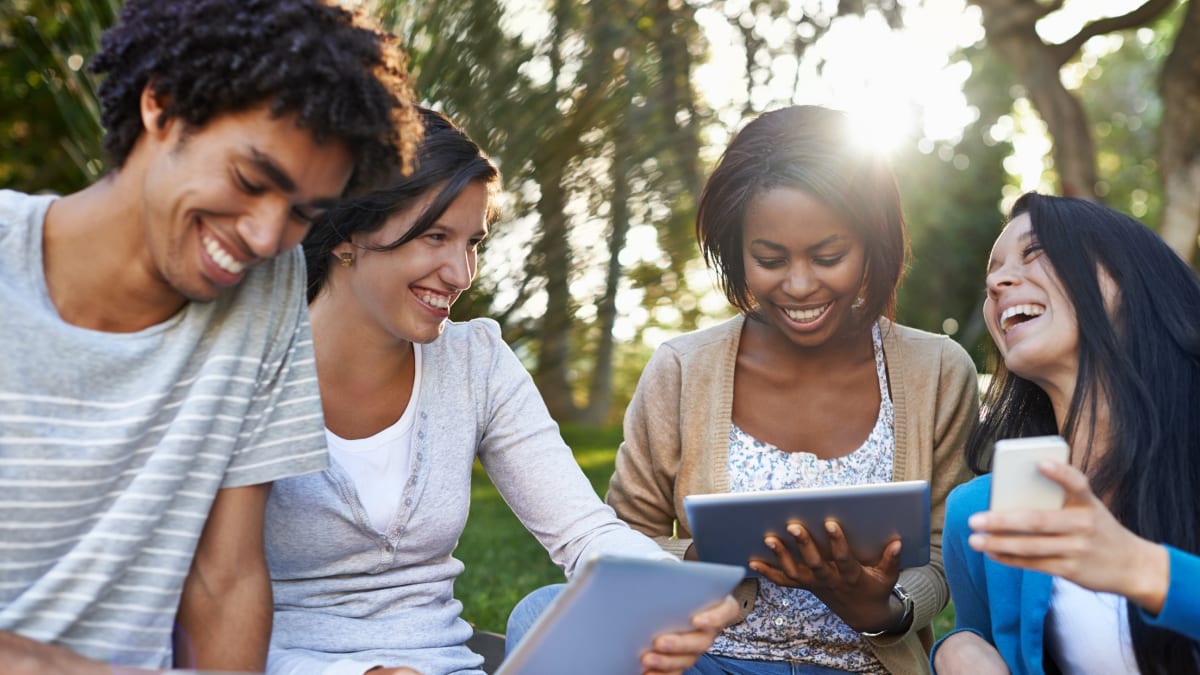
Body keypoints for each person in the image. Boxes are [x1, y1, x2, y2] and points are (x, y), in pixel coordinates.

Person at [0, 1, 417, 673]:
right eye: (251, 180)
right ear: (161, 106)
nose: (262, 236)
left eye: (303, 214)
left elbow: (225, 579)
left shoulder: (268, 284)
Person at [262, 107, 738, 675]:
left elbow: (584, 531)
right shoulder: (252, 370)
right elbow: (203, 595)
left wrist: (671, 595)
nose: (461, 274)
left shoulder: (475, 362)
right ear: (348, 234)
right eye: (436, 236)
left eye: (473, 243)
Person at [602, 105, 979, 675]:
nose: (800, 286)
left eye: (829, 257)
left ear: (871, 244)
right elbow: (618, 540)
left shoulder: (938, 370)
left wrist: (882, 606)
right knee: (540, 613)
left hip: (865, 667)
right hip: (707, 662)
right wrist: (702, 558)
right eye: (770, 260)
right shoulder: (682, 369)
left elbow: (944, 556)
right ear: (737, 251)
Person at [932, 193, 1200, 675]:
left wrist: (1141, 569)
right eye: (992, 271)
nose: (996, 282)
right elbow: (982, 642)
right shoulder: (980, 514)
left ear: (1128, 276)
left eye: (1035, 253)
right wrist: (957, 650)